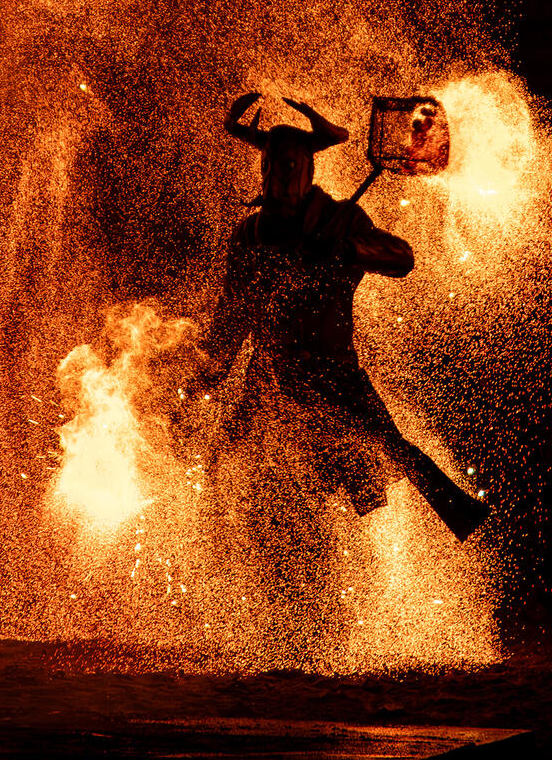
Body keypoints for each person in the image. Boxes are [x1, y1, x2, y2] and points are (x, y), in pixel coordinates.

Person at [193, 92, 488, 541]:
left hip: (334, 378)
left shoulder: (340, 220)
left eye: (288, 165)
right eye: (269, 165)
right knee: (229, 477)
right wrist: (195, 383)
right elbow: (230, 323)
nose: (276, 176)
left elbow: (402, 258)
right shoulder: (250, 234)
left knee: (383, 452)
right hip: (270, 385)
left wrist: (347, 249)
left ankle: (455, 510)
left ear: (308, 169)